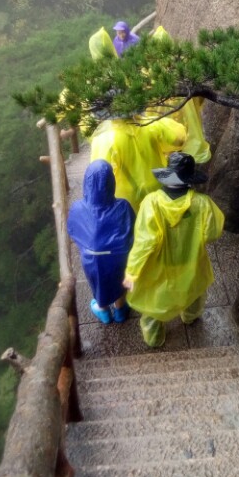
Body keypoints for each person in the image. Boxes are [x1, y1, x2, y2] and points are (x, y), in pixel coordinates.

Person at [122, 152, 225, 348]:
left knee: (154, 300)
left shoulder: (151, 203)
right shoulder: (203, 203)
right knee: (193, 289)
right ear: (190, 179)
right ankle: (190, 316)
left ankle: (154, 337)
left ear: (168, 175)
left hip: (160, 264)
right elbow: (213, 233)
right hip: (191, 260)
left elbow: (145, 243)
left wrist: (132, 272)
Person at [67, 160, 134, 324]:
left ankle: (103, 310)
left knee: (97, 283)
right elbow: (133, 229)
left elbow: (73, 231)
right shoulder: (123, 206)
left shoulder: (78, 208)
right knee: (119, 281)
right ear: (111, 182)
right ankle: (120, 309)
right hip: (119, 258)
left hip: (92, 259)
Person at [89, 115, 186, 212]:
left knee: (135, 224)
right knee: (157, 220)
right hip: (157, 184)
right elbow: (178, 140)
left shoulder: (105, 138)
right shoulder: (151, 125)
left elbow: (99, 173)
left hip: (128, 195)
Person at [150, 25, 211, 163]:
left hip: (161, 132)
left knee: (166, 171)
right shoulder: (184, 67)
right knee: (185, 168)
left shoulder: (148, 71)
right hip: (187, 130)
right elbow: (200, 96)